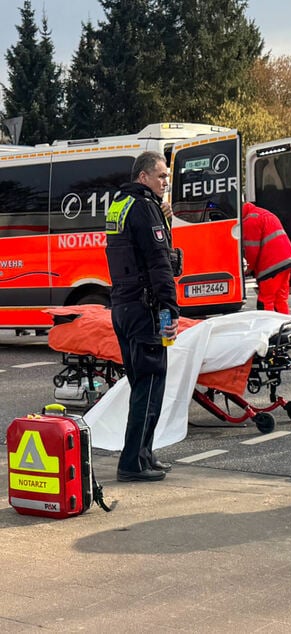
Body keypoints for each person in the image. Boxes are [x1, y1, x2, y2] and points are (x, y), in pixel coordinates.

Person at [104, 151, 180, 482]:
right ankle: (133, 462)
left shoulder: (119, 205)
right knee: (150, 385)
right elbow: (159, 262)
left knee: (141, 385)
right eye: (161, 176)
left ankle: (144, 454)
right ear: (143, 177)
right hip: (146, 308)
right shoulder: (145, 207)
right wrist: (169, 307)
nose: (166, 182)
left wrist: (166, 219)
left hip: (123, 307)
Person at [242, 201, 291, 314]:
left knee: (265, 300)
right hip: (287, 260)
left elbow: (251, 250)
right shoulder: (262, 213)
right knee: (280, 299)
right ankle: (286, 327)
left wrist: (246, 270)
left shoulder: (249, 221)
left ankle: (268, 327)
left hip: (271, 265)